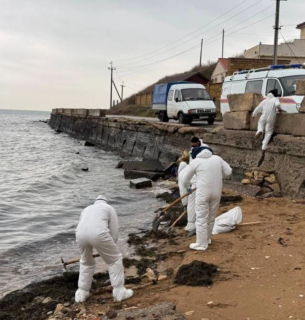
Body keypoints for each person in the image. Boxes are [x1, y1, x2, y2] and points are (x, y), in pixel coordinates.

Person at [75, 195, 134, 303]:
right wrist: (110, 247)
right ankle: (119, 293)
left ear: (95, 202)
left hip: (79, 235)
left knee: (86, 262)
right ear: (106, 202)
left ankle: (81, 294)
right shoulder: (109, 208)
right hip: (98, 234)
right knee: (114, 259)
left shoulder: (86, 209)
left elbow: (83, 226)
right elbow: (114, 233)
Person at [183, 149, 232, 251]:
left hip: (203, 193)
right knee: (211, 217)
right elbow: (229, 172)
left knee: (201, 218)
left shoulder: (195, 162)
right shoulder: (218, 159)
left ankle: (201, 244)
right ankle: (207, 239)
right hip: (217, 192)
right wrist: (217, 177)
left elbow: (185, 180)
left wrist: (188, 189)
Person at [185, 137, 212, 235]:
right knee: (199, 200)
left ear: (198, 143)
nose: (193, 147)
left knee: (196, 200)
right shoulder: (194, 151)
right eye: (191, 145)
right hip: (200, 180)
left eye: (194, 145)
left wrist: (189, 186)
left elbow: (193, 167)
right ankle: (195, 223)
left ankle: (193, 224)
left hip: (201, 180)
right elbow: (191, 166)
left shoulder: (204, 150)